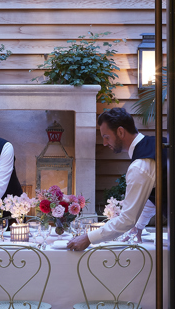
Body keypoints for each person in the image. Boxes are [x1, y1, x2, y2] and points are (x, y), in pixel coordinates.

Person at [67, 107, 157, 251]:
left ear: (120, 132)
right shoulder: (154, 145)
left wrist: (88, 238)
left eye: (106, 137)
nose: (104, 143)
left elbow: (127, 219)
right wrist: (138, 227)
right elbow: (154, 197)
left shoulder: (140, 166)